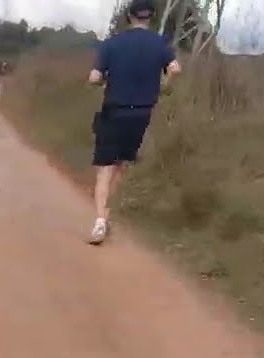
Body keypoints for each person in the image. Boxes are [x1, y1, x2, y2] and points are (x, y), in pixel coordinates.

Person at [87, 0, 182, 244]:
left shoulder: (112, 44)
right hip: (141, 114)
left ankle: (99, 221)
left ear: (129, 16)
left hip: (114, 110)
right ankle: (106, 215)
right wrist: (165, 89)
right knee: (121, 164)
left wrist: (104, 80)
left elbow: (94, 78)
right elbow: (175, 69)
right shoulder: (160, 44)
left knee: (105, 169)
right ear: (150, 17)